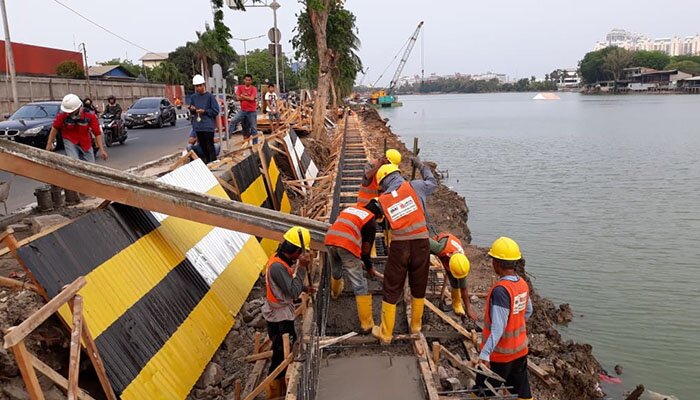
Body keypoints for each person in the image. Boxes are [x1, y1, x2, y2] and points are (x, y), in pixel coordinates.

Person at [371, 157, 436, 344]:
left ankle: (386, 333)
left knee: (391, 287)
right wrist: (422, 166)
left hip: (400, 246)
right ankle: (416, 326)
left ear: (383, 182)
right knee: (419, 283)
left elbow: (378, 220)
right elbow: (432, 182)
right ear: (397, 174)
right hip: (422, 243)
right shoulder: (415, 186)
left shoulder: (381, 200)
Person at [473, 236, 533, 400]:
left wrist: (485, 354)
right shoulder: (522, 284)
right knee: (522, 393)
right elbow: (528, 311)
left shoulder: (501, 291)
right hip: (520, 351)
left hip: (500, 356)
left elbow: (498, 328)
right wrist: (515, 323)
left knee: (481, 392)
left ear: (497, 263)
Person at [261, 227, 314, 398]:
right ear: (296, 251)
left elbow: (290, 285)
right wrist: (303, 269)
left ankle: (281, 385)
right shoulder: (277, 267)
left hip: (280, 311)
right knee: (280, 356)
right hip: (279, 317)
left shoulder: (281, 260)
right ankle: (276, 391)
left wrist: (305, 287)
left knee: (286, 348)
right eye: (301, 252)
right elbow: (292, 292)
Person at [324, 199, 384, 333]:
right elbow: (366, 252)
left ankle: (335, 293)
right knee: (359, 284)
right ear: (379, 214)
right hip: (346, 246)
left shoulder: (351, 209)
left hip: (330, 239)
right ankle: (367, 324)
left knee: (336, 270)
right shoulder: (370, 221)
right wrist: (369, 268)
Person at [46, 93, 108, 162]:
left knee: (90, 163)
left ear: (79, 108)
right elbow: (55, 128)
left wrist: (102, 150)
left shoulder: (89, 115)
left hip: (85, 141)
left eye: (73, 112)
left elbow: (97, 133)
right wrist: (49, 144)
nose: (70, 114)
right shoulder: (63, 115)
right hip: (69, 139)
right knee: (74, 162)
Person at [429, 233, 477, 320]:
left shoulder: (461, 263)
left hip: (451, 254)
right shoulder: (439, 248)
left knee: (456, 281)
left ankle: (456, 303)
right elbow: (424, 239)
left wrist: (468, 309)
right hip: (441, 244)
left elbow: (464, 288)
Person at [188, 74, 220, 164]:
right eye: (196, 86)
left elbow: (215, 111)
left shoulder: (210, 97)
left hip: (208, 126)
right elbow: (191, 110)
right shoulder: (193, 97)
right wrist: (192, 109)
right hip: (198, 126)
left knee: (210, 145)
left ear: (203, 85)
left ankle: (213, 162)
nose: (198, 88)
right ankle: (206, 162)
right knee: (202, 146)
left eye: (199, 86)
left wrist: (205, 111)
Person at [230, 74, 259, 144]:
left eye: (249, 80)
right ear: (244, 80)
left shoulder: (253, 89)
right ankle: (227, 137)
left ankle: (255, 144)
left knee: (253, 128)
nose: (247, 81)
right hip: (243, 111)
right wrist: (247, 97)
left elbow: (252, 98)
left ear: (251, 81)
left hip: (252, 111)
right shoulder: (240, 88)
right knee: (233, 121)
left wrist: (243, 96)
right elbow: (237, 98)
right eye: (246, 80)